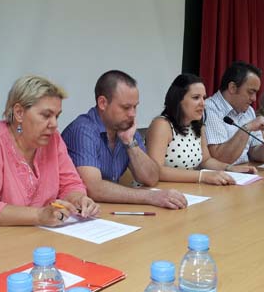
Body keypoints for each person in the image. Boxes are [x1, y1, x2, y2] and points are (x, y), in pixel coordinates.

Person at [0, 75, 99, 229]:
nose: (54, 124)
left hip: (31, 236)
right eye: (46, 115)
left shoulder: (53, 140)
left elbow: (70, 183)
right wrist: (39, 215)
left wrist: (78, 199)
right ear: (19, 112)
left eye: (57, 116)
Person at [62, 70, 187, 210]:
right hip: (79, 214)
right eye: (126, 107)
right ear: (102, 103)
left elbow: (150, 178)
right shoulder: (83, 130)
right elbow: (93, 188)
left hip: (108, 211)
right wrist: (151, 197)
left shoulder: (125, 128)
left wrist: (131, 144)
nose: (132, 114)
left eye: (135, 107)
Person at [146, 74, 258, 186]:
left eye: (203, 98)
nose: (203, 103)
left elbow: (206, 161)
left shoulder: (197, 126)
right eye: (196, 98)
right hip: (158, 193)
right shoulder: (161, 125)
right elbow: (156, 171)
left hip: (185, 191)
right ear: (178, 99)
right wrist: (202, 176)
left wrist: (230, 168)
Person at [204, 61, 264, 165]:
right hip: (221, 176)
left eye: (256, 93)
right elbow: (220, 159)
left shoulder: (248, 111)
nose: (254, 98)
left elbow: (254, 153)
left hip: (244, 172)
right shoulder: (210, 108)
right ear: (232, 88)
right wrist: (247, 128)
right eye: (251, 92)